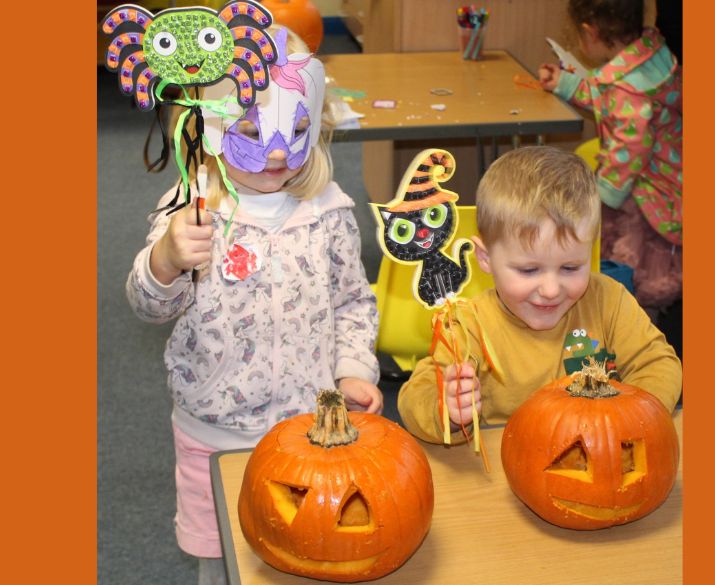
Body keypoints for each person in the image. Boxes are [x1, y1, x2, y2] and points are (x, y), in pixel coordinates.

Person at [125, 26, 382, 585]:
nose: (274, 151)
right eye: (250, 130)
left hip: (305, 433)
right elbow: (147, 307)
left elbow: (353, 303)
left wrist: (353, 370)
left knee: (303, 548)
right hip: (212, 437)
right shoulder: (190, 210)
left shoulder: (330, 211)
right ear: (209, 127)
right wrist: (165, 261)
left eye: (295, 130)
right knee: (219, 563)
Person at [397, 146, 681, 445]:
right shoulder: (467, 324)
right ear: (486, 258)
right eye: (529, 270)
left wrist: (630, 420)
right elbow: (415, 396)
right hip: (505, 467)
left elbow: (659, 365)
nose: (550, 290)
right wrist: (449, 411)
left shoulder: (608, 300)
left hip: (600, 454)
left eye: (571, 267)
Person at [538, 0, 682, 320]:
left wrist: (601, 197)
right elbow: (609, 98)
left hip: (646, 196)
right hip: (663, 177)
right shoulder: (648, 55)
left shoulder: (626, 87)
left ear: (591, 32)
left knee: (639, 275)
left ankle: (639, 333)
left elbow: (631, 146)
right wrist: (566, 83)